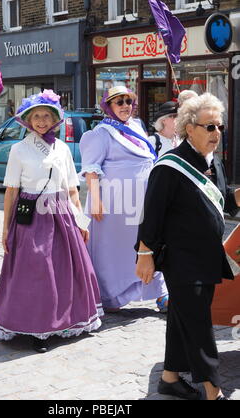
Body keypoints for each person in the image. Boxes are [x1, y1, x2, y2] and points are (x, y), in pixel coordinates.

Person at [135, 92, 240, 400]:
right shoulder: (169, 167)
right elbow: (151, 215)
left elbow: (221, 201)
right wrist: (144, 255)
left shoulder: (214, 162)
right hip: (182, 260)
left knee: (183, 317)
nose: (216, 133)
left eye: (219, 126)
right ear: (188, 127)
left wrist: (236, 196)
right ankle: (212, 390)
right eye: (209, 127)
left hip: (207, 256)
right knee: (198, 324)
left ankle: (169, 378)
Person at [0, 90, 103, 353]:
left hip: (61, 214)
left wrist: (80, 222)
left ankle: (68, 319)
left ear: (54, 119)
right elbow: (11, 191)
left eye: (47, 115)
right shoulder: (19, 150)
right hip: (31, 216)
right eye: (37, 116)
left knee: (67, 269)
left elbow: (72, 189)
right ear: (28, 120)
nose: (42, 120)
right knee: (38, 271)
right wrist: (6, 228)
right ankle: (38, 328)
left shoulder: (63, 148)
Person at [80, 86, 168, 313]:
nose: (125, 106)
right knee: (112, 250)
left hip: (144, 200)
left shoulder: (137, 126)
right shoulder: (100, 133)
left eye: (128, 101)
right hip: (114, 203)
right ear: (108, 106)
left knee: (149, 243)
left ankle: (159, 292)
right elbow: (91, 168)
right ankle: (109, 296)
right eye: (119, 102)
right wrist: (96, 199)